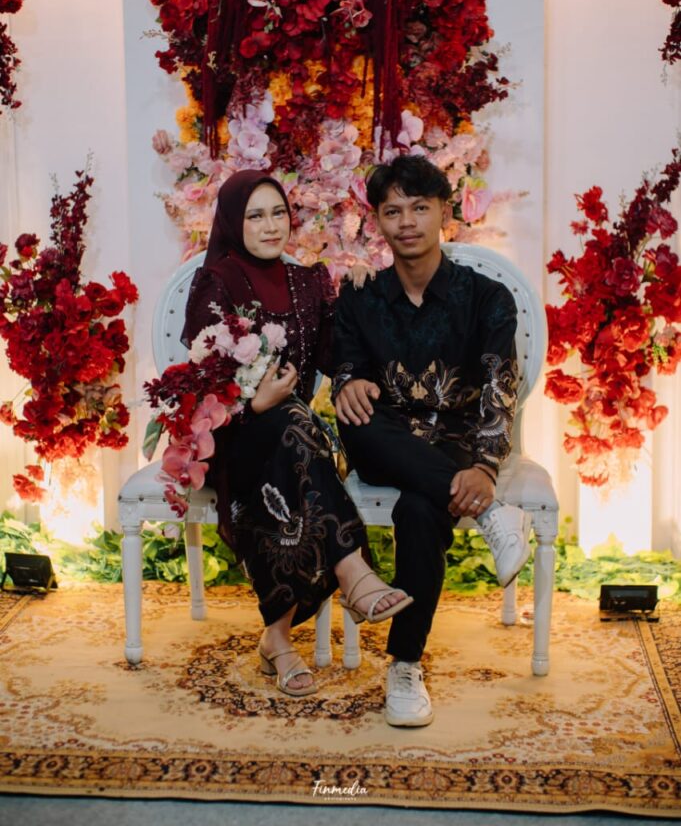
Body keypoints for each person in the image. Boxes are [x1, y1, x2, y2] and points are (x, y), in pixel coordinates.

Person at [181, 170, 412, 698]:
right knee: (292, 428)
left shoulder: (308, 282)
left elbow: (338, 353)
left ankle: (277, 640)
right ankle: (352, 570)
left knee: (293, 435)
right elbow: (199, 381)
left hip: (292, 438)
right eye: (255, 216)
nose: (270, 226)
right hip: (232, 438)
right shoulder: (217, 282)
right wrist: (254, 403)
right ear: (233, 223)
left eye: (278, 213)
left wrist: (362, 292)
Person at [332, 155, 532, 728]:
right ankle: (494, 516)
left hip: (456, 443)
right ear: (377, 221)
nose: (407, 222)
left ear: (445, 212)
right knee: (360, 420)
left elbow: (500, 388)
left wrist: (485, 468)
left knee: (421, 510)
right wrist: (350, 381)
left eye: (420, 208)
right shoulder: (360, 296)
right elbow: (345, 364)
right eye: (392, 211)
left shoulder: (488, 297)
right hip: (384, 439)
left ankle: (404, 665)